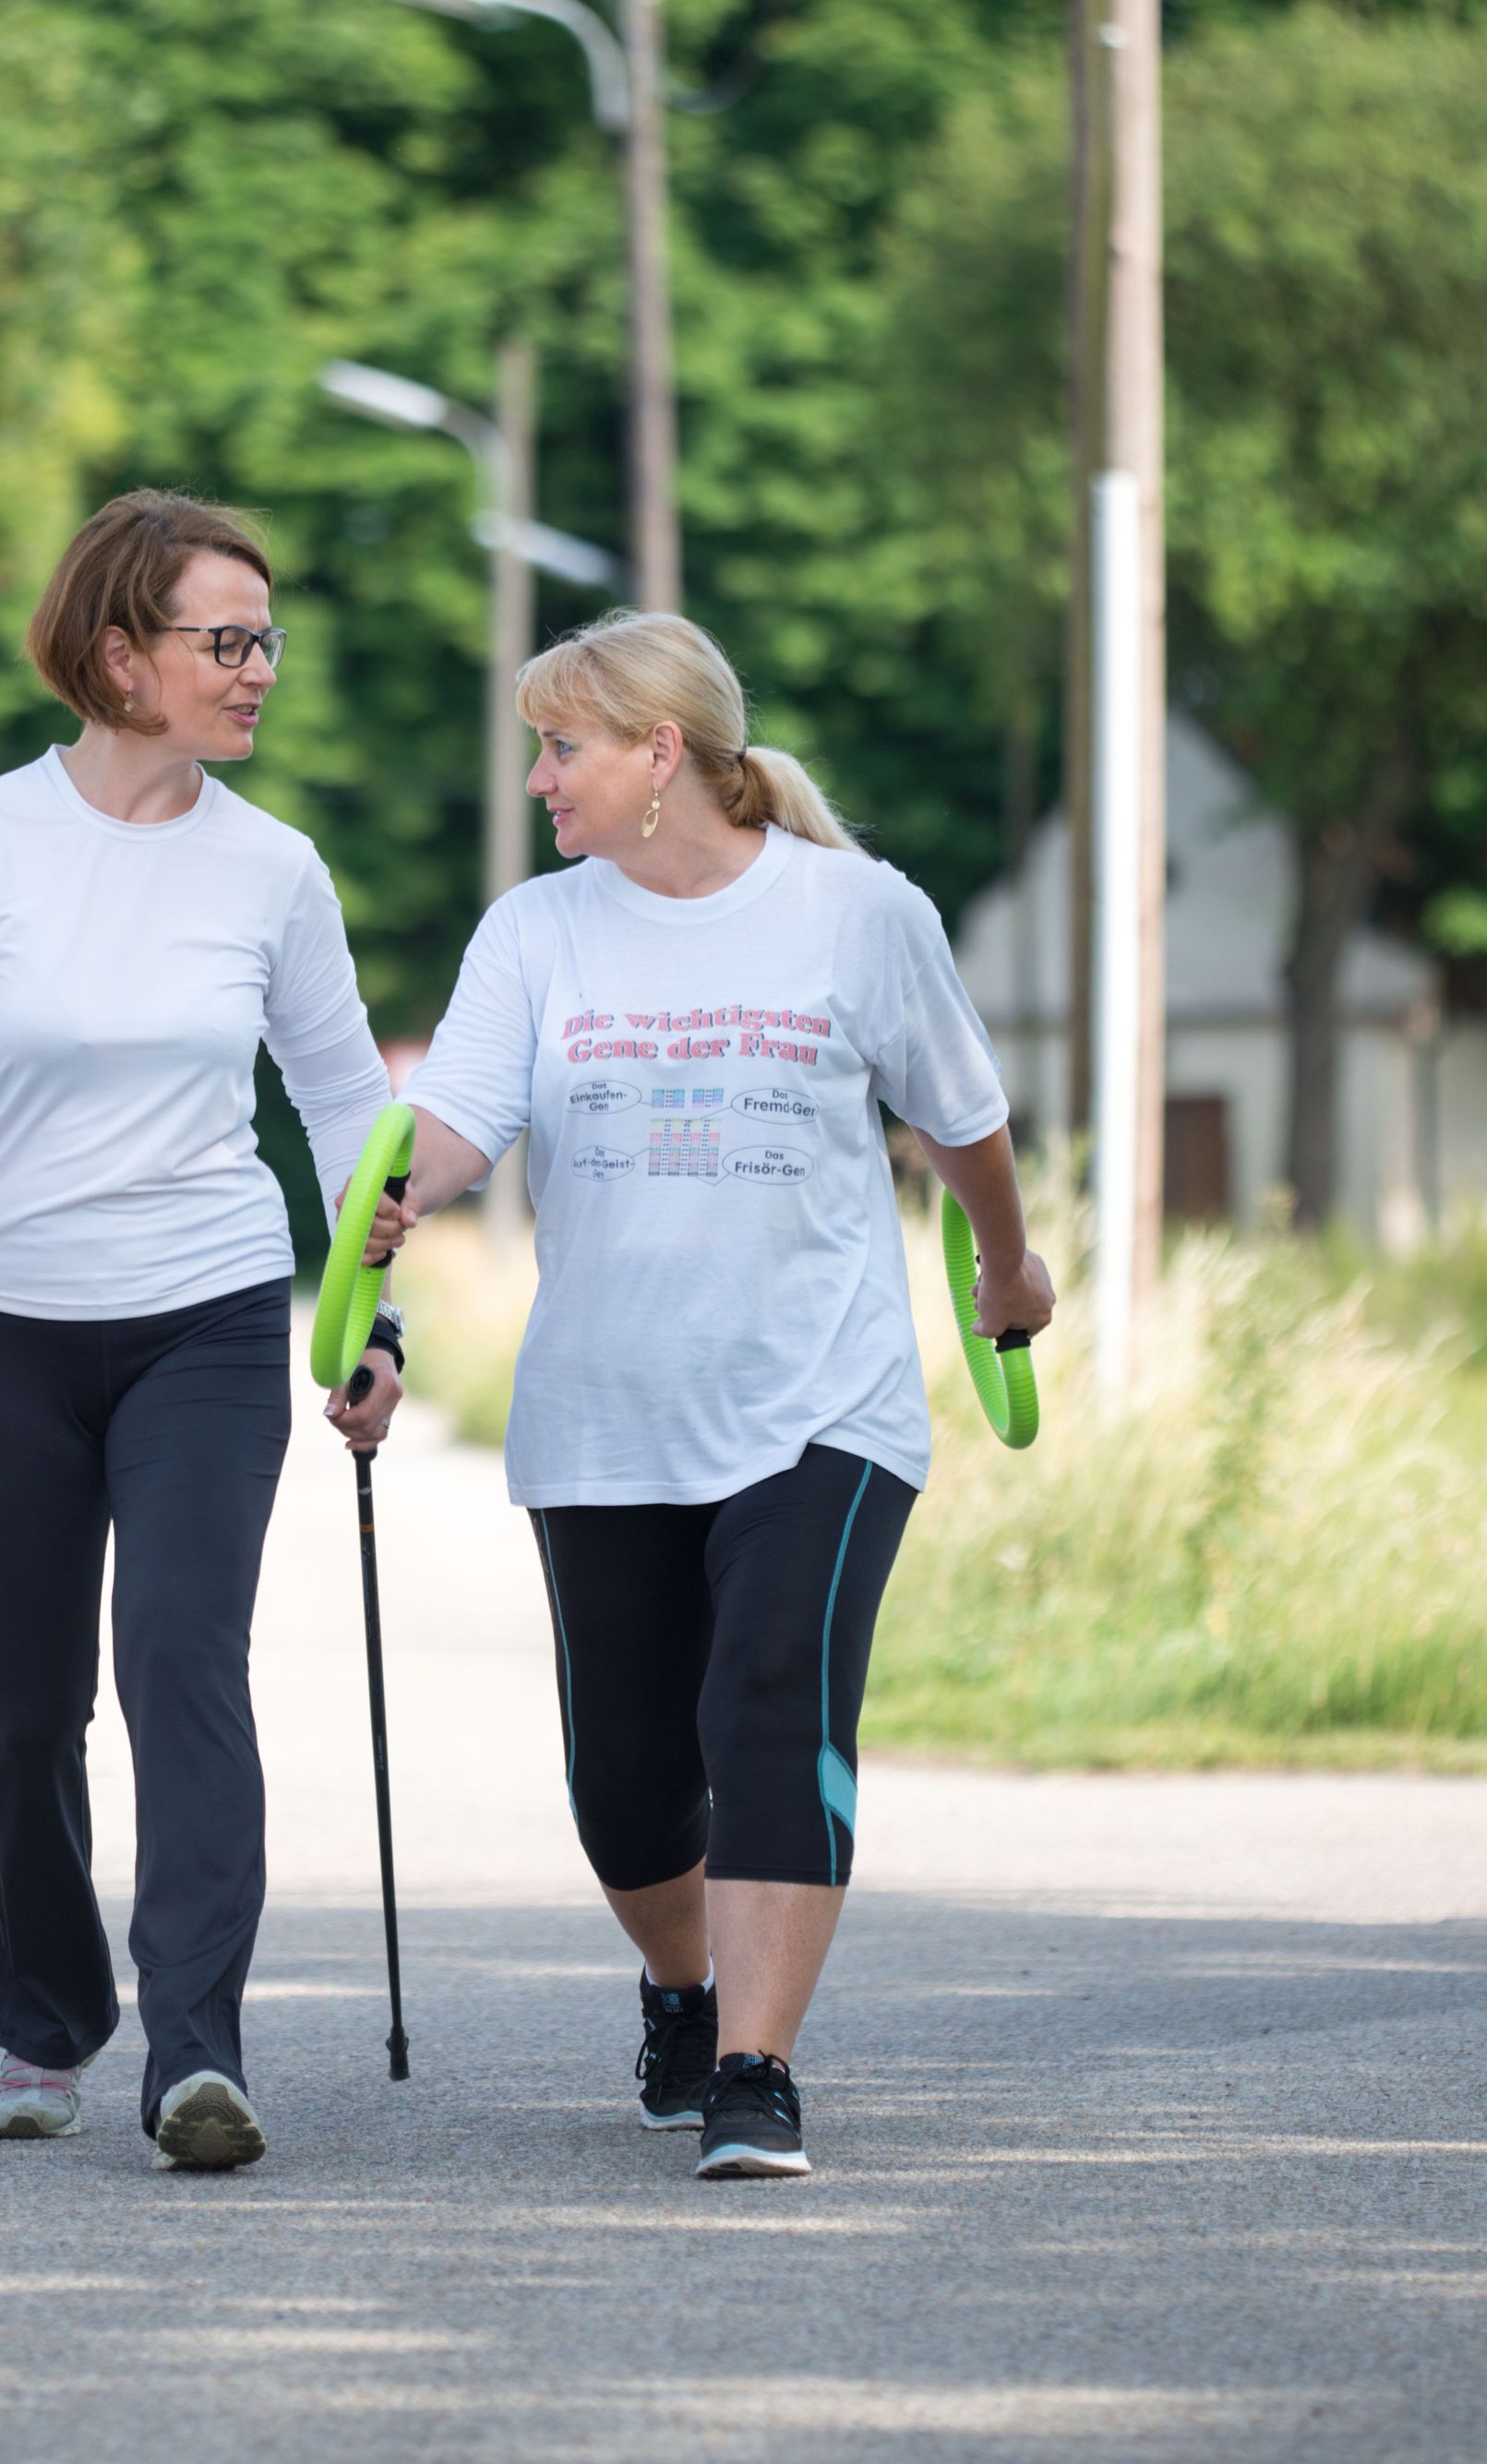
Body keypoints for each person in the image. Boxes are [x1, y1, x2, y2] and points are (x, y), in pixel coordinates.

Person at [375, 609, 1052, 2181]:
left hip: (820, 1399)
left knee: (769, 1705)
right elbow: (457, 1130)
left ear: (659, 753)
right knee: (624, 1784)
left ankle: (757, 2065)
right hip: (607, 1411)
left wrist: (1006, 1270)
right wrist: (381, 1219)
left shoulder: (856, 913)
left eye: (564, 745)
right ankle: (682, 1991)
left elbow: (964, 1124)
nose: (540, 776)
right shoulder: (536, 933)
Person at [0, 490, 402, 2171]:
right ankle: (45, 2018)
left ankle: (195, 2049)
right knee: (24, 1703)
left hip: (211, 1323)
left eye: (265, 641)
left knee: (181, 1656)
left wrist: (377, 1317)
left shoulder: (275, 868)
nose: (257, 673)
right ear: (116, 652)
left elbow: (344, 1104)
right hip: (5, 1321)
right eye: (224, 642)